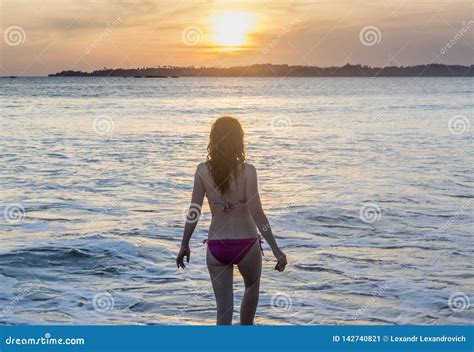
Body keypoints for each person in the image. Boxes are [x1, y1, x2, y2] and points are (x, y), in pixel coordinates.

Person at [176, 116, 287, 325]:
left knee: (224, 312)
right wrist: (276, 249)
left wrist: (184, 244)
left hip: (217, 246)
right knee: (251, 288)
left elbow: (194, 211)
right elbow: (257, 213)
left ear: (213, 140)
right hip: (246, 244)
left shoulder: (202, 171)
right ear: (239, 140)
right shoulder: (248, 171)